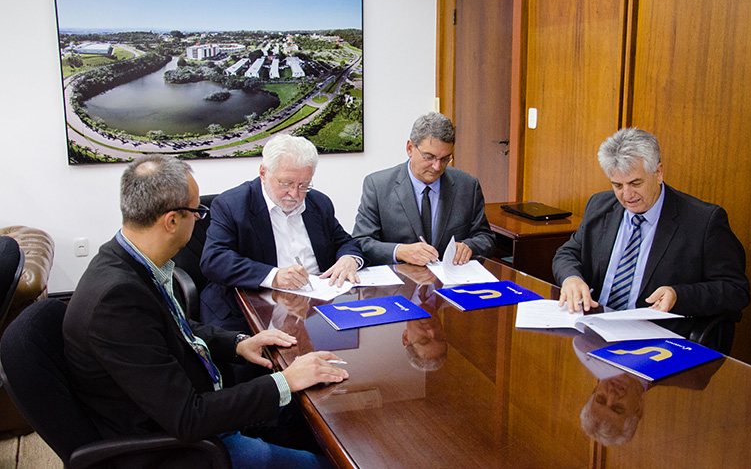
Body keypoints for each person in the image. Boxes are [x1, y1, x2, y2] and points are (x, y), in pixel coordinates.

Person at [63, 155, 348, 468]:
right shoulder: (116, 300)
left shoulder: (125, 260)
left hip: (193, 414)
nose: (200, 220)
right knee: (327, 462)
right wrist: (286, 381)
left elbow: (172, 329)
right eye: (197, 212)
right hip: (183, 448)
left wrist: (237, 343)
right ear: (172, 221)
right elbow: (189, 417)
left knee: (300, 420)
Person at [552, 128, 749, 334]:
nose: (627, 195)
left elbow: (736, 290)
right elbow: (567, 253)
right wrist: (571, 278)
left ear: (658, 173)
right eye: (617, 185)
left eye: (635, 183)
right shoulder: (600, 205)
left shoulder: (703, 221)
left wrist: (678, 295)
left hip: (653, 337)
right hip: (594, 326)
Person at [200, 134, 363, 333]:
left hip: (314, 307)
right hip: (251, 307)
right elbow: (214, 259)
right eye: (286, 184)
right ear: (263, 172)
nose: (295, 194)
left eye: (304, 185)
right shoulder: (232, 205)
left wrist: (349, 258)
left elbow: (344, 240)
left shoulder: (319, 203)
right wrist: (274, 276)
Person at [352, 112, 495, 266]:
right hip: (400, 282)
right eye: (429, 157)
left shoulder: (467, 186)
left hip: (450, 282)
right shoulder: (378, 186)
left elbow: (485, 238)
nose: (437, 166)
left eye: (445, 158)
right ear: (410, 148)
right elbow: (362, 242)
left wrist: (469, 247)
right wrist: (400, 251)